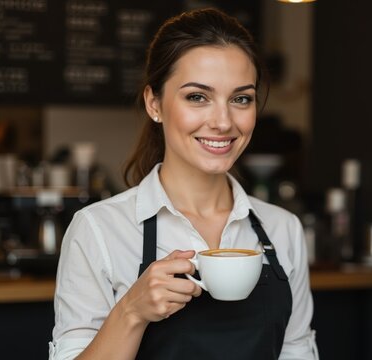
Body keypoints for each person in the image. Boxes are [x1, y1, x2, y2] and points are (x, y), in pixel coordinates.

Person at [49, 8, 318, 360]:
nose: (223, 122)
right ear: (154, 103)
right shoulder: (99, 230)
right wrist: (131, 311)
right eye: (197, 97)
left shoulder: (282, 229)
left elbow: (296, 352)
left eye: (241, 99)